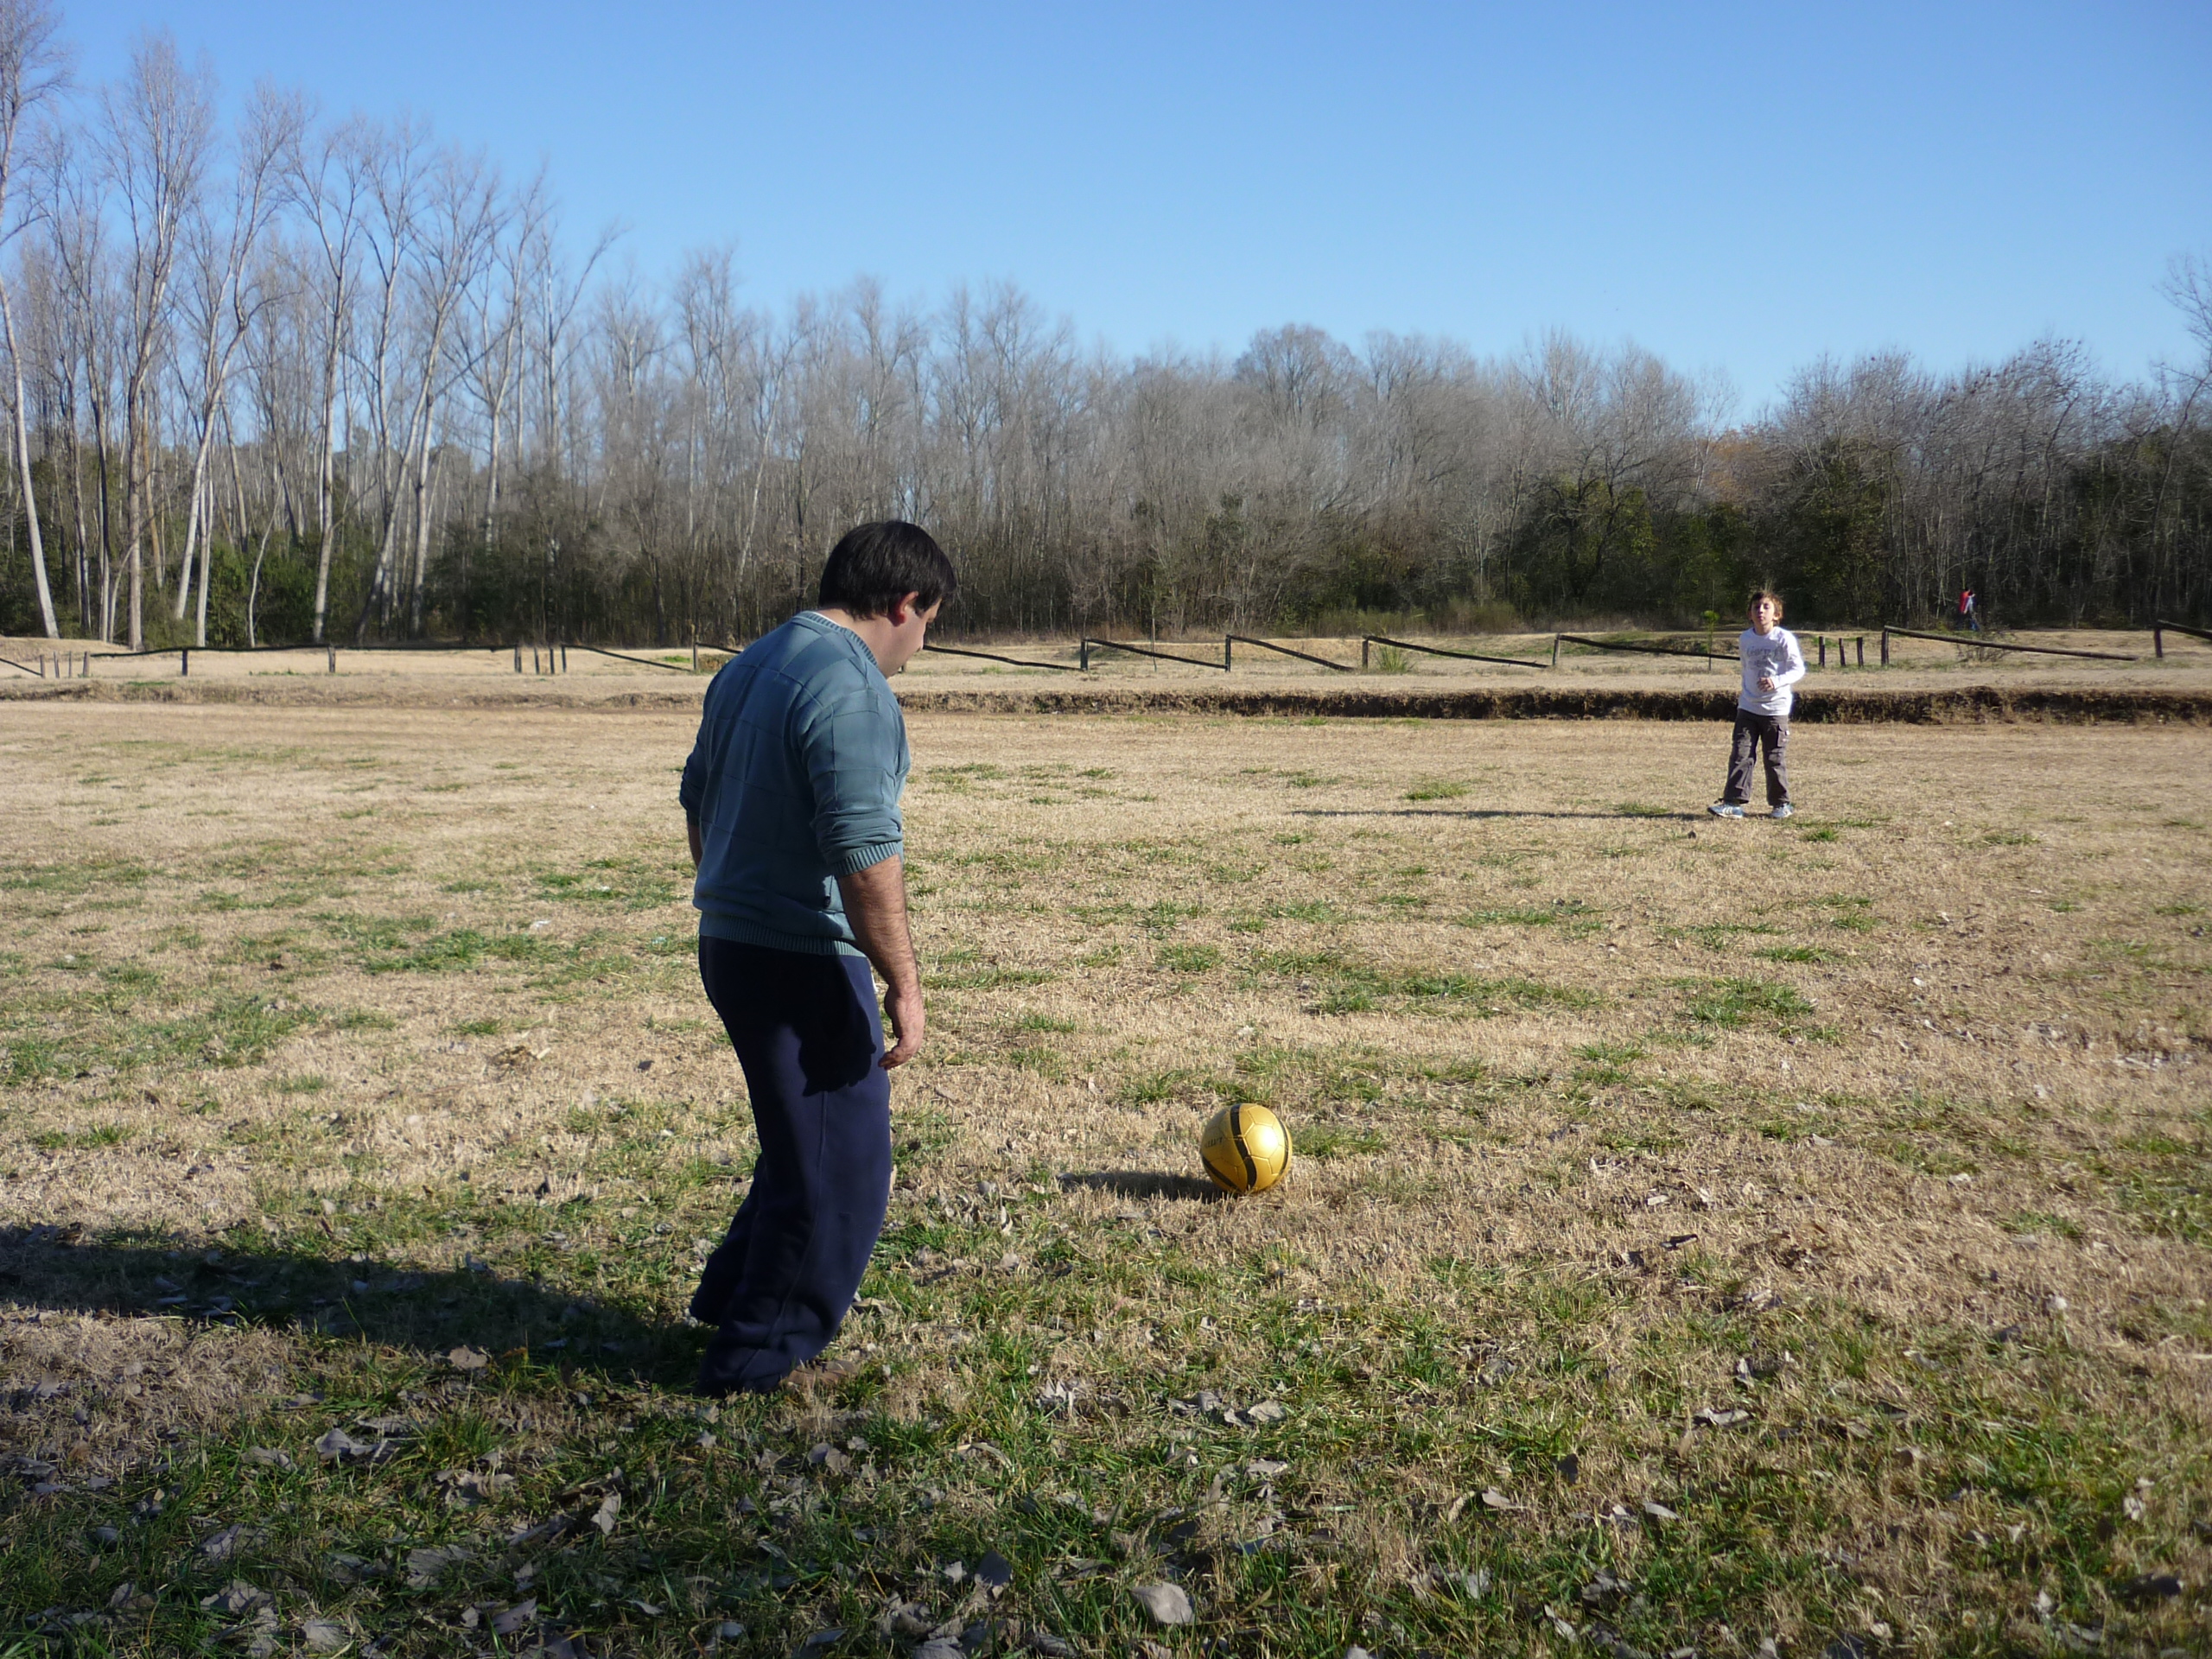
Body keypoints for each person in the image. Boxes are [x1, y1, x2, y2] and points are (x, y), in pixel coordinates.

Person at [678, 520, 954, 1395]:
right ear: (903, 603)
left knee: (802, 1142)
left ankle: (732, 1296)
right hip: (799, 955)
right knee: (844, 1169)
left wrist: (731, 892)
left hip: (729, 939)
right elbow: (863, 847)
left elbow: (698, 798)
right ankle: (756, 1355)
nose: (922, 644)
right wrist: (902, 984)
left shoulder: (752, 664)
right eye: (929, 622)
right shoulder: (850, 685)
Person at [1708, 588, 1805, 821]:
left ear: (1776, 615)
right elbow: (1746, 669)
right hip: (1748, 708)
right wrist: (1746, 695)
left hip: (1775, 710)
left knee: (1774, 758)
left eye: (1766, 607)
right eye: (1756, 608)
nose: (1760, 611)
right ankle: (1733, 803)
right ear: (1749, 614)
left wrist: (1776, 681)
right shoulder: (1745, 639)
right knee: (1741, 754)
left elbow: (1798, 669)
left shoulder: (1784, 639)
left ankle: (1781, 804)